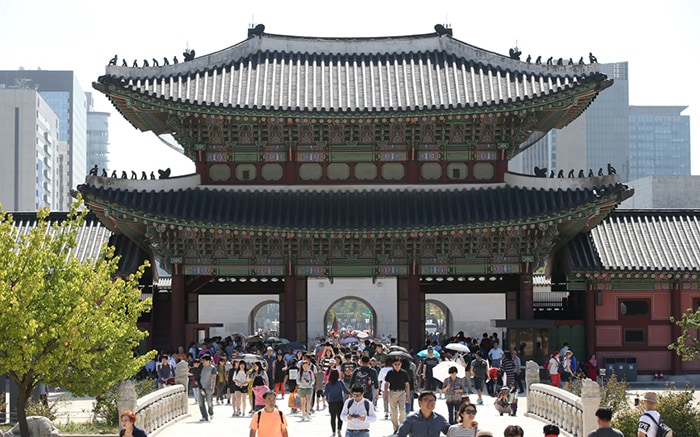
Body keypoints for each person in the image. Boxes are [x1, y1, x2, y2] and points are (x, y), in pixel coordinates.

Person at [384, 358, 411, 434]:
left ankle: (401, 426)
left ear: (401, 364)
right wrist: (385, 395)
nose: (397, 366)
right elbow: (386, 384)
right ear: (393, 365)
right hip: (392, 393)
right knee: (393, 412)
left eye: (398, 364)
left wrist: (408, 396)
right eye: (395, 364)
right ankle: (395, 428)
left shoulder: (404, 373)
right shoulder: (390, 373)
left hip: (402, 393)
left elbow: (407, 385)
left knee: (402, 410)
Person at [324, 369, 350, 437]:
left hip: (331, 402)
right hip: (339, 402)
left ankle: (333, 432)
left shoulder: (328, 384)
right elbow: (346, 391)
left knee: (332, 417)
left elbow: (325, 393)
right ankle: (339, 430)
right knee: (340, 417)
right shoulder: (340, 382)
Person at [198, 354, 216, 421]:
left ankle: (211, 413)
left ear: (208, 361)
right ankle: (204, 416)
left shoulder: (212, 368)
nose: (203, 362)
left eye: (204, 361)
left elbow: (214, 379)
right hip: (202, 387)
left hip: (209, 387)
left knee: (209, 402)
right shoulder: (201, 367)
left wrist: (213, 387)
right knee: (200, 402)